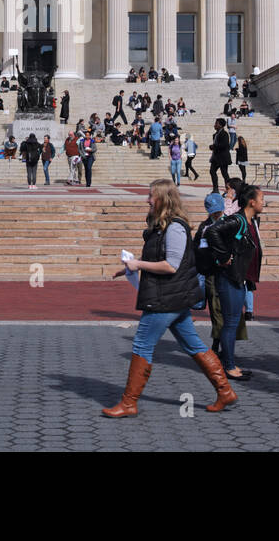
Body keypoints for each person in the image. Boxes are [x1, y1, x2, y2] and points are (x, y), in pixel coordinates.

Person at [103, 179, 237, 417]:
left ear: (163, 199)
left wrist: (139, 264)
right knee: (193, 344)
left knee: (143, 344)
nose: (147, 200)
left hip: (166, 297)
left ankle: (129, 403)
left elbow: (171, 266)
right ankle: (225, 391)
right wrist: (130, 268)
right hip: (174, 297)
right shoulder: (162, 226)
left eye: (151, 196)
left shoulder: (175, 227)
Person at [206, 183, 262, 383]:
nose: (264, 203)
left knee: (232, 322)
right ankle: (228, 366)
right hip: (230, 278)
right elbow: (212, 232)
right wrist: (223, 256)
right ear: (252, 202)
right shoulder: (237, 220)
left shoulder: (248, 221)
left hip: (239, 278)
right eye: (261, 199)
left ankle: (230, 362)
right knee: (230, 323)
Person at [208, 118, 232, 192]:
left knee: (224, 174)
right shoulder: (215, 134)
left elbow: (225, 145)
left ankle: (229, 189)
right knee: (212, 171)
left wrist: (214, 146)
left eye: (216, 123)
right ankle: (215, 189)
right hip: (216, 157)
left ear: (221, 125)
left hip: (223, 157)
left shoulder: (224, 134)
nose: (215, 125)